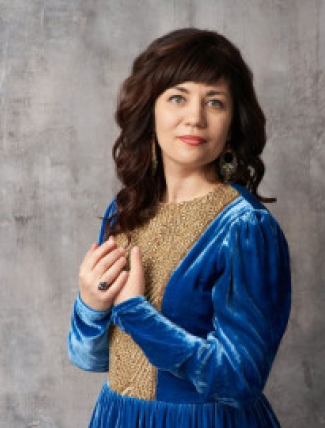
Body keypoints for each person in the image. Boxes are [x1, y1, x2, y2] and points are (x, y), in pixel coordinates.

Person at [67, 28, 291, 428]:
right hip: (118, 416)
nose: (195, 118)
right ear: (150, 110)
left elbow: (240, 380)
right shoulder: (126, 210)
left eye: (214, 102)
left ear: (232, 123)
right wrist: (91, 305)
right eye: (177, 97)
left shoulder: (244, 227)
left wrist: (136, 313)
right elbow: (92, 358)